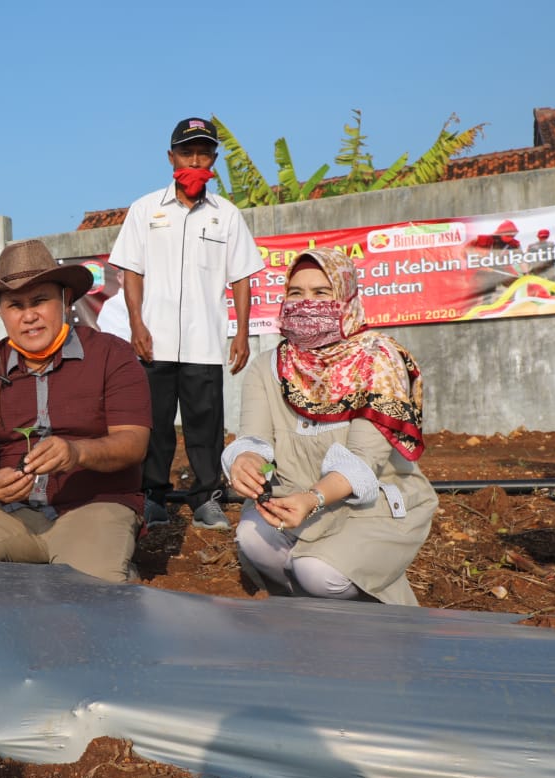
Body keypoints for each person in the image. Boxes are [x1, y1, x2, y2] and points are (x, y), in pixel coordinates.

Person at [0, 239, 151, 583]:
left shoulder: (112, 355)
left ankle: (109, 562)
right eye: (15, 305)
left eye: (40, 301)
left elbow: (133, 444)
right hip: (6, 509)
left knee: (97, 599)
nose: (29, 316)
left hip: (93, 505)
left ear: (65, 299)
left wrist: (77, 452)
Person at [223, 248, 436, 605]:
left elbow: (364, 460)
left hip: (369, 506)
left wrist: (314, 498)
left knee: (317, 572)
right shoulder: (267, 366)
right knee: (252, 539)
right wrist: (245, 460)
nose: (307, 304)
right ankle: (301, 622)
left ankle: (379, 622)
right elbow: (258, 441)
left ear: (346, 297)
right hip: (293, 497)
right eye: (296, 293)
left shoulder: (378, 360)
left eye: (322, 294)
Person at [108, 117, 265, 531]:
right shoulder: (145, 210)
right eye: (187, 152)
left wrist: (243, 332)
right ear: (171, 157)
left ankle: (206, 498)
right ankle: (154, 497)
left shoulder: (227, 215)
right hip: (154, 340)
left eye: (203, 152)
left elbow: (242, 277)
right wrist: (137, 325)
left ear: (214, 158)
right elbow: (132, 273)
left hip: (205, 340)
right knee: (154, 423)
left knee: (205, 425)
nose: (195, 160)